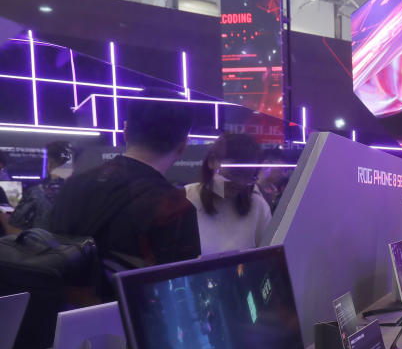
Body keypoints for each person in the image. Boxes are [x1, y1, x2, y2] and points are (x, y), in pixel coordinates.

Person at [49, 94, 200, 269]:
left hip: (63, 295)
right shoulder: (174, 206)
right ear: (184, 145)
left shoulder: (74, 185)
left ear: (125, 132)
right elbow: (178, 285)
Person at [184, 132, 272, 255]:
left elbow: (268, 257)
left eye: (247, 176)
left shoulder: (257, 206)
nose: (240, 183)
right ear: (211, 161)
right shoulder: (187, 198)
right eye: (234, 173)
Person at [7, 141, 73, 232]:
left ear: (50, 164)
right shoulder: (84, 193)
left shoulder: (36, 192)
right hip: (75, 245)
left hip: (43, 244)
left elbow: (15, 222)